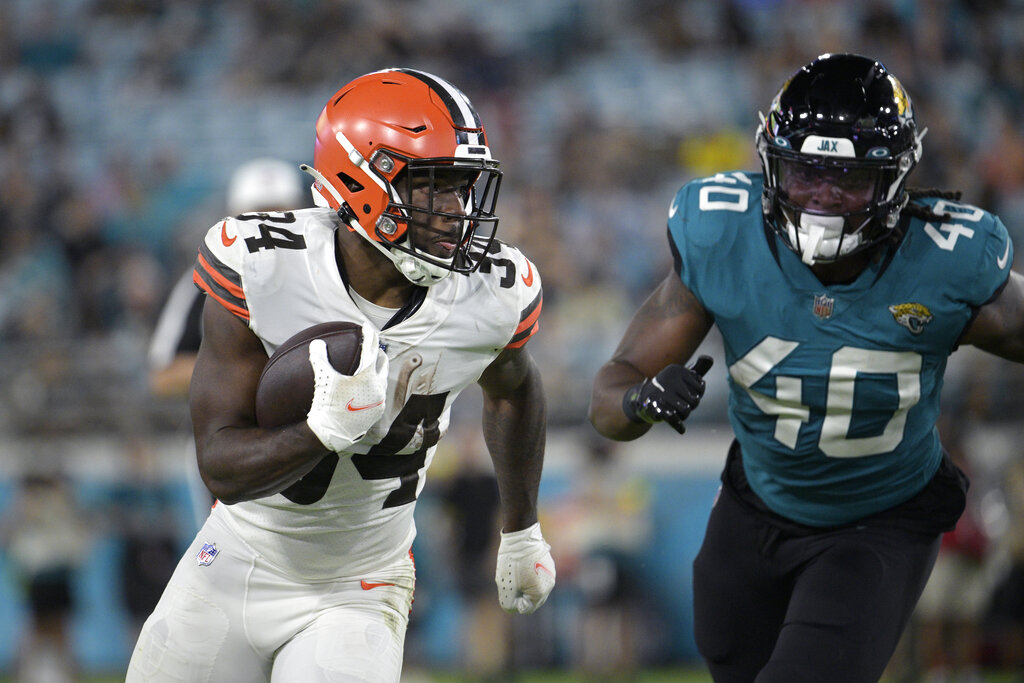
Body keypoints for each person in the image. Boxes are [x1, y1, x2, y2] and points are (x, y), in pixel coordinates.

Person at [588, 52, 1024, 682]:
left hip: (879, 518)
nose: (821, 198)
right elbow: (610, 395)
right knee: (731, 659)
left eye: (845, 179)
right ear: (771, 165)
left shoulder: (946, 262)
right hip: (755, 505)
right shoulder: (723, 235)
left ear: (892, 181)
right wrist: (641, 400)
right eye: (804, 173)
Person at [127, 68, 555, 682]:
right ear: (362, 179)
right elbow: (218, 464)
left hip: (362, 582)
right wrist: (318, 432)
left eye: (463, 189)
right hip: (237, 557)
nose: (458, 212)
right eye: (434, 187)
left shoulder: (490, 294)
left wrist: (521, 529)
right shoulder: (265, 265)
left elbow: (517, 389)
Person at [147, 157, 305, 528]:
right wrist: (246, 368)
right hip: (230, 443)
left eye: (281, 213)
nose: (268, 225)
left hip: (314, 439)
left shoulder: (327, 278)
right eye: (257, 214)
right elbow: (162, 375)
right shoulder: (205, 280)